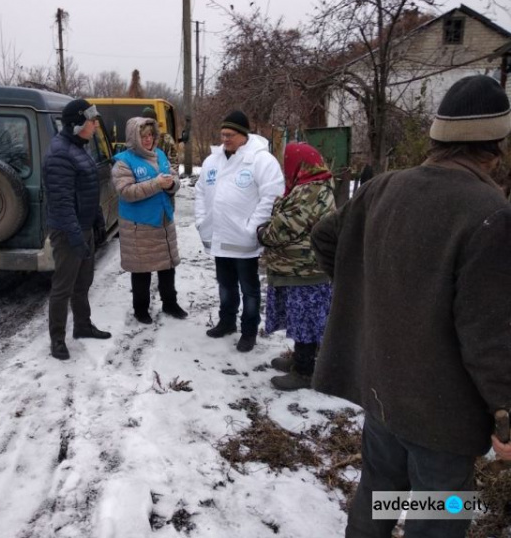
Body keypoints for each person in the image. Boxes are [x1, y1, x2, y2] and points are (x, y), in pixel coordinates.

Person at [310, 74, 511, 538]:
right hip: (443, 414)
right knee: (439, 515)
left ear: (438, 136)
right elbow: (489, 334)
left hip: (381, 388)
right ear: (495, 144)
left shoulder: (384, 187)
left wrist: (366, 296)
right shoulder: (490, 212)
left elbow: (325, 236)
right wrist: (505, 413)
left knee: (379, 494)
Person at [194, 110, 284, 352]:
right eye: (223, 134)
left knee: (249, 289)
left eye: (230, 134)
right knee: (225, 285)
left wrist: (252, 228)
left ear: (244, 135)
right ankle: (226, 322)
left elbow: (272, 197)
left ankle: (249, 331)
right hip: (219, 237)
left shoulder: (261, 160)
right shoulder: (212, 161)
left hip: (244, 241)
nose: (225, 139)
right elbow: (200, 191)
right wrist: (202, 220)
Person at [258, 142, 336, 391]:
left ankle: (304, 371)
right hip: (302, 268)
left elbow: (283, 228)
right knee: (305, 319)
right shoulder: (311, 187)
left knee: (306, 320)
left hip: (305, 270)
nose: (285, 168)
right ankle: (304, 358)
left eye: (288, 162)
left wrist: (262, 233)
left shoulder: (310, 192)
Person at [43, 98, 111, 361]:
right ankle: (57, 340)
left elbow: (86, 190)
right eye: (91, 121)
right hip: (67, 230)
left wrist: (97, 221)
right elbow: (62, 204)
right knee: (63, 287)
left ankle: (83, 326)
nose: (95, 125)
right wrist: (75, 237)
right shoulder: (61, 153)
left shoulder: (79, 148)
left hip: (82, 227)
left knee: (83, 283)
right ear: (77, 125)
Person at [112, 116, 186, 324]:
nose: (147, 140)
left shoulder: (160, 154)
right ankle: (141, 309)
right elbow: (126, 192)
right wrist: (157, 184)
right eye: (143, 136)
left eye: (151, 135)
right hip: (139, 224)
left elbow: (174, 178)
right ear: (134, 138)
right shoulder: (123, 162)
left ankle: (170, 303)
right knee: (141, 269)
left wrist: (172, 185)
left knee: (167, 266)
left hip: (163, 220)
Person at [142, 106, 179, 174]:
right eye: (146, 123)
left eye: (150, 123)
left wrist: (171, 180)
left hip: (163, 178)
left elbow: (174, 162)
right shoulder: (138, 138)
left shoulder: (166, 139)